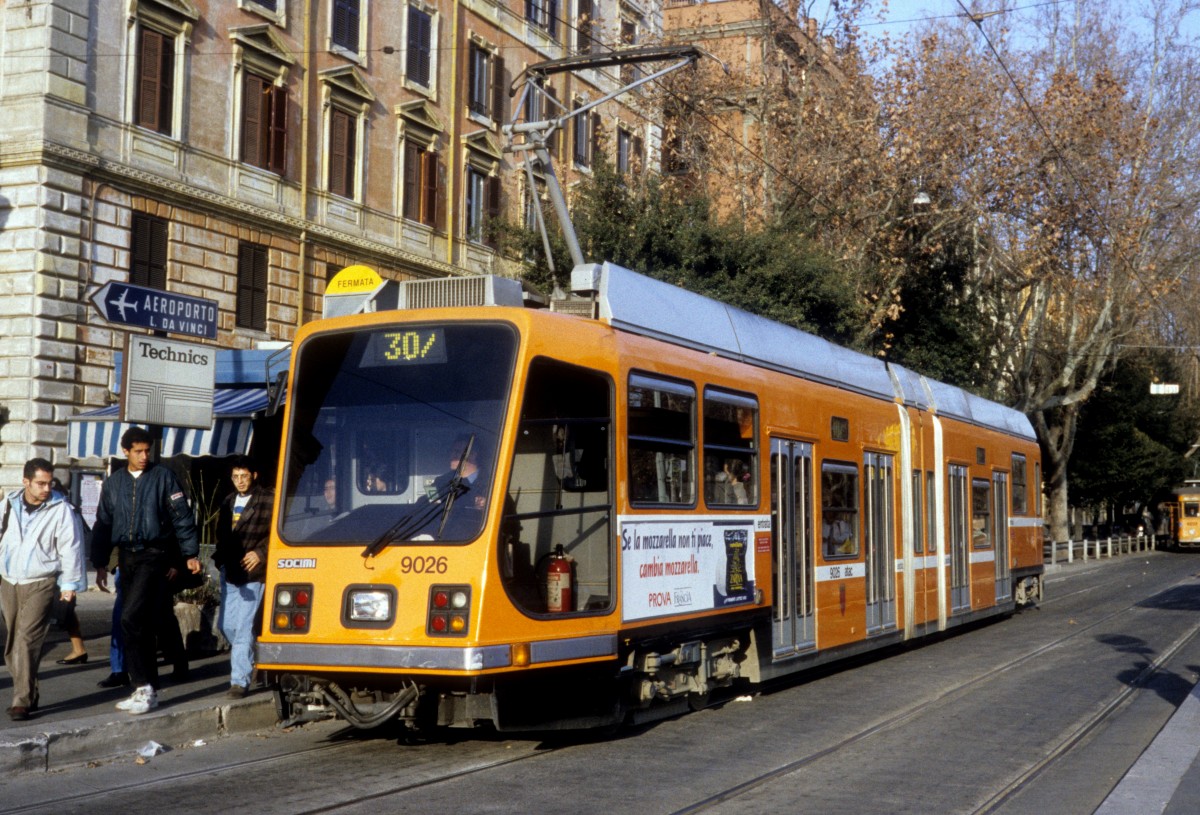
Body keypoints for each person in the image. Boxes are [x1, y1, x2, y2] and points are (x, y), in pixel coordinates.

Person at [91, 427, 201, 715]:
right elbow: (103, 523)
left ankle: (142, 685)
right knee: (142, 622)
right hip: (127, 557)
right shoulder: (114, 483)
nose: (144, 456)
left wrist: (189, 554)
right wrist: (99, 562)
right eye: (138, 451)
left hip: (155, 555)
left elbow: (182, 516)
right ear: (125, 451)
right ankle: (147, 688)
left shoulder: (163, 477)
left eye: (147, 451)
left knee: (130, 618)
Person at [0, 458, 86, 720]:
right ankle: (30, 692)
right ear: (26, 482)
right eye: (40, 483)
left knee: (27, 638)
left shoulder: (60, 509)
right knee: (13, 643)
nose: (46, 488)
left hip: (43, 580)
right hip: (9, 580)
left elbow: (71, 548)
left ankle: (21, 700)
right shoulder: (8, 504)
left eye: (49, 483)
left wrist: (70, 585)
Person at [212, 456, 272, 698]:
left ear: (254, 475)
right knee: (226, 625)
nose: (240, 481)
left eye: (244, 476)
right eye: (235, 477)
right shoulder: (227, 501)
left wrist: (261, 553)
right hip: (231, 571)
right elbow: (221, 535)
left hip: (254, 573)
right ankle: (256, 656)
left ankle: (239, 680)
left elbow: (280, 530)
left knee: (244, 626)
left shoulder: (268, 497)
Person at [48, 478, 89, 666]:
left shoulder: (64, 511)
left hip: (60, 571)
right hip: (64, 571)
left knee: (57, 610)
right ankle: (78, 649)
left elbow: (70, 546)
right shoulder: (71, 509)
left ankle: (79, 649)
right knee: (67, 611)